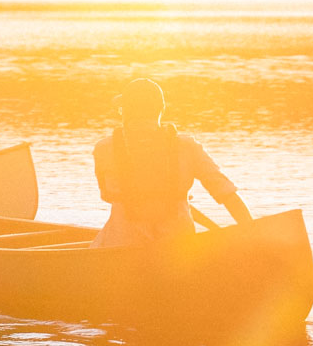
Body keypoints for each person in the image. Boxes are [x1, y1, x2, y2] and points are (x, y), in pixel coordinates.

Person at [93, 78, 251, 248]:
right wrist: (252, 232)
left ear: (125, 112)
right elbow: (226, 193)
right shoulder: (187, 146)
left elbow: (107, 195)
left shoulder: (104, 149)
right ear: (161, 109)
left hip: (122, 247)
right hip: (178, 248)